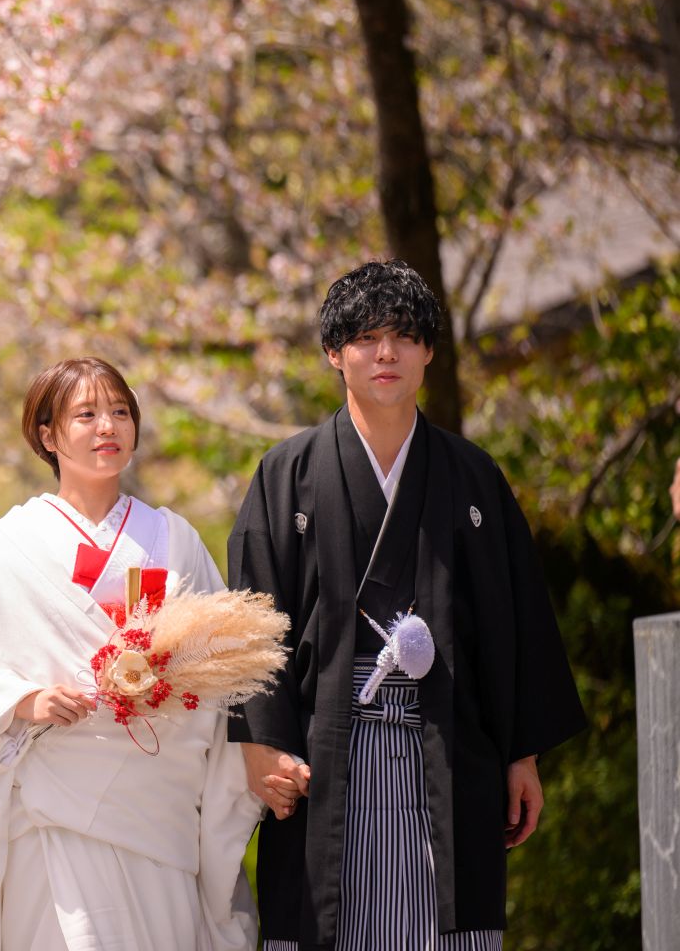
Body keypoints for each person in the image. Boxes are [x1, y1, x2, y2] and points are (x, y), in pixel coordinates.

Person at [228, 260, 586, 950]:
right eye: (366, 337)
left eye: (404, 336)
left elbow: (516, 622)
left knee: (446, 925)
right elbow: (251, 622)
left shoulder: (473, 475)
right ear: (334, 353)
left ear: (429, 352)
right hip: (326, 753)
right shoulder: (287, 474)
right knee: (325, 921)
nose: (385, 353)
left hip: (448, 747)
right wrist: (261, 746)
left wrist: (522, 754)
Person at [0, 357, 262, 951]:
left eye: (120, 412)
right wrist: (24, 700)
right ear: (48, 435)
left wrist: (167, 678)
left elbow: (225, 657)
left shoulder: (173, 538)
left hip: (154, 800)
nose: (107, 426)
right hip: (52, 803)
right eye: (86, 414)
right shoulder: (10, 546)